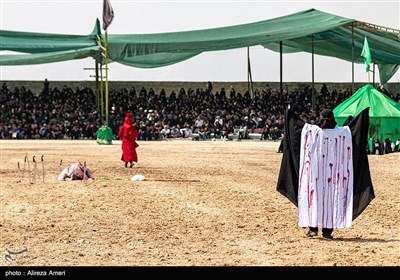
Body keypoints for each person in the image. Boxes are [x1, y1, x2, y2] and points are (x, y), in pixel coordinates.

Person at [277, 107, 375, 240]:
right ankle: (327, 232)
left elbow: (295, 129)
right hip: (334, 176)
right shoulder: (342, 133)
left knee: (314, 198)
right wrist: (361, 117)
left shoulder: (311, 132)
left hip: (315, 175)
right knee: (331, 200)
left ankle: (313, 228)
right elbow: (354, 131)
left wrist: (289, 114)